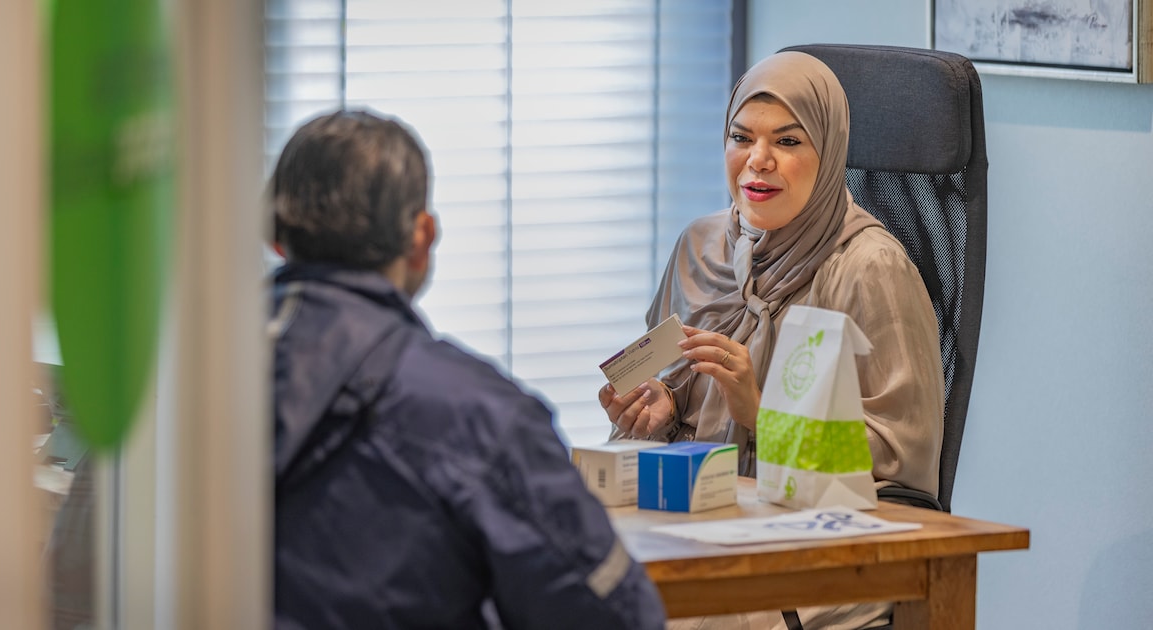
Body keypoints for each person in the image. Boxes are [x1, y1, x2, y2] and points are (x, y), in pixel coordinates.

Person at [269, 109, 666, 630]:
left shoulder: (182, 392)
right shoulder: (478, 417)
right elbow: (614, 618)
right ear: (421, 237)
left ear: (278, 238)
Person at [598, 51, 944, 629]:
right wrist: (656, 413)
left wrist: (762, 413)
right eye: (741, 137)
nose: (757, 163)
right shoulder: (699, 246)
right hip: (701, 515)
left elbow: (898, 458)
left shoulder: (869, 269)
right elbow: (665, 391)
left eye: (787, 141)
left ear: (829, 154)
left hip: (826, 543)